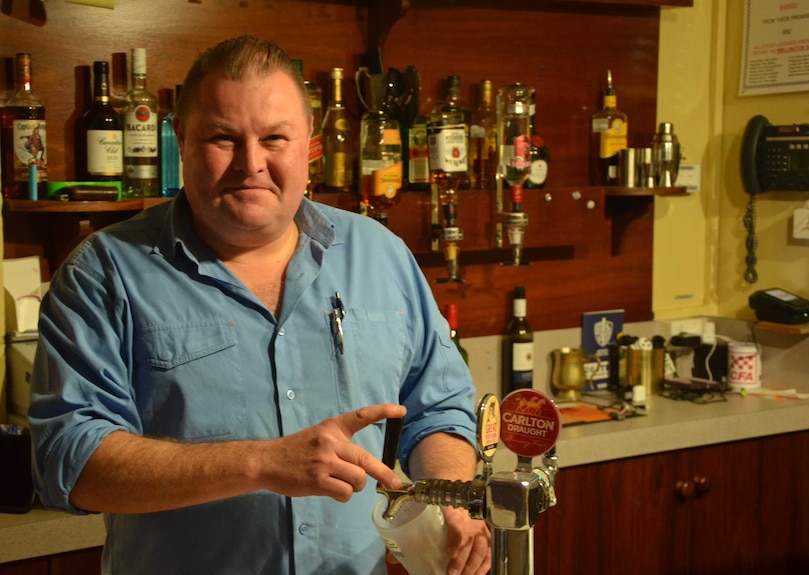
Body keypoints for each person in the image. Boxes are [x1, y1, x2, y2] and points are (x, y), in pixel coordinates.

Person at [29, 36, 491, 575]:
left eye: (274, 138)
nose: (251, 163)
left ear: (309, 144)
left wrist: (448, 496)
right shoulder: (103, 272)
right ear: (180, 138)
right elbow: (69, 461)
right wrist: (260, 462)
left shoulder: (380, 255)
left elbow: (438, 407)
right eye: (223, 138)